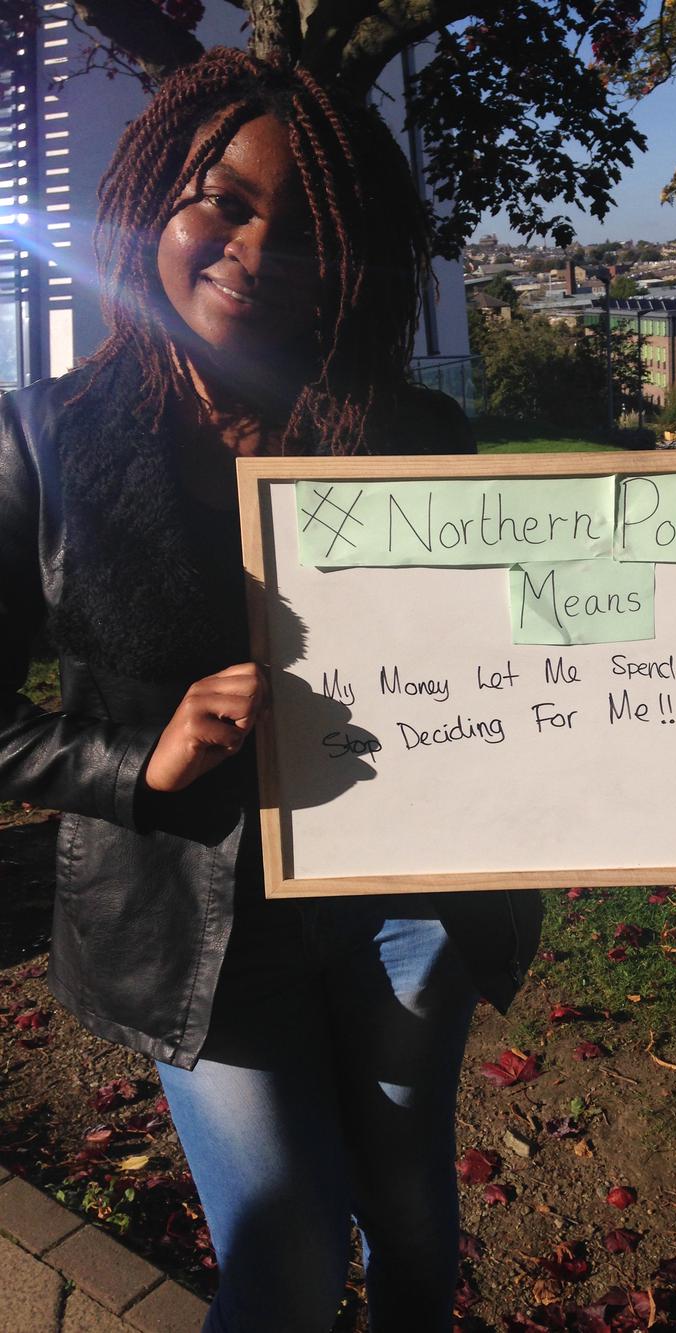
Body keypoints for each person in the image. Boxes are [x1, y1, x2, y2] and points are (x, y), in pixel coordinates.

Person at [0, 48, 540, 1332]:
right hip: (193, 923)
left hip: (403, 904)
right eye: (223, 201)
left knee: (412, 1210)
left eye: (304, 228)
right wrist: (138, 760)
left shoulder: (410, 432)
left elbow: (548, 632)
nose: (252, 248)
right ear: (151, 206)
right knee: (289, 1249)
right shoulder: (44, 441)